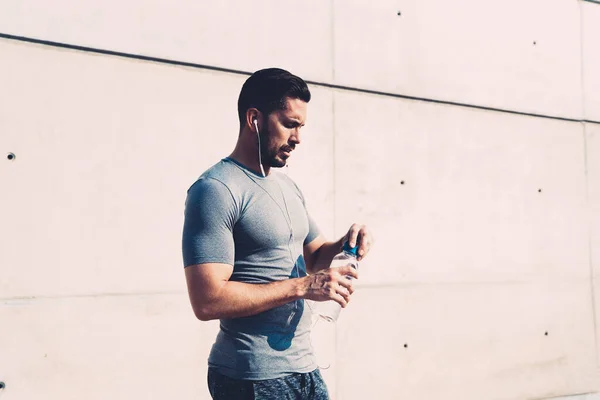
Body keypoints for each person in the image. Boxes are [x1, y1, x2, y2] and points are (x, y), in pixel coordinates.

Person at [182, 68, 373, 400]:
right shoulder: (215, 189)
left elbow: (313, 256)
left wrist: (347, 243)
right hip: (251, 377)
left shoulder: (287, 186)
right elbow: (207, 300)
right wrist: (303, 286)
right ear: (254, 118)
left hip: (305, 369)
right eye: (289, 124)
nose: (298, 138)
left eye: (301, 127)